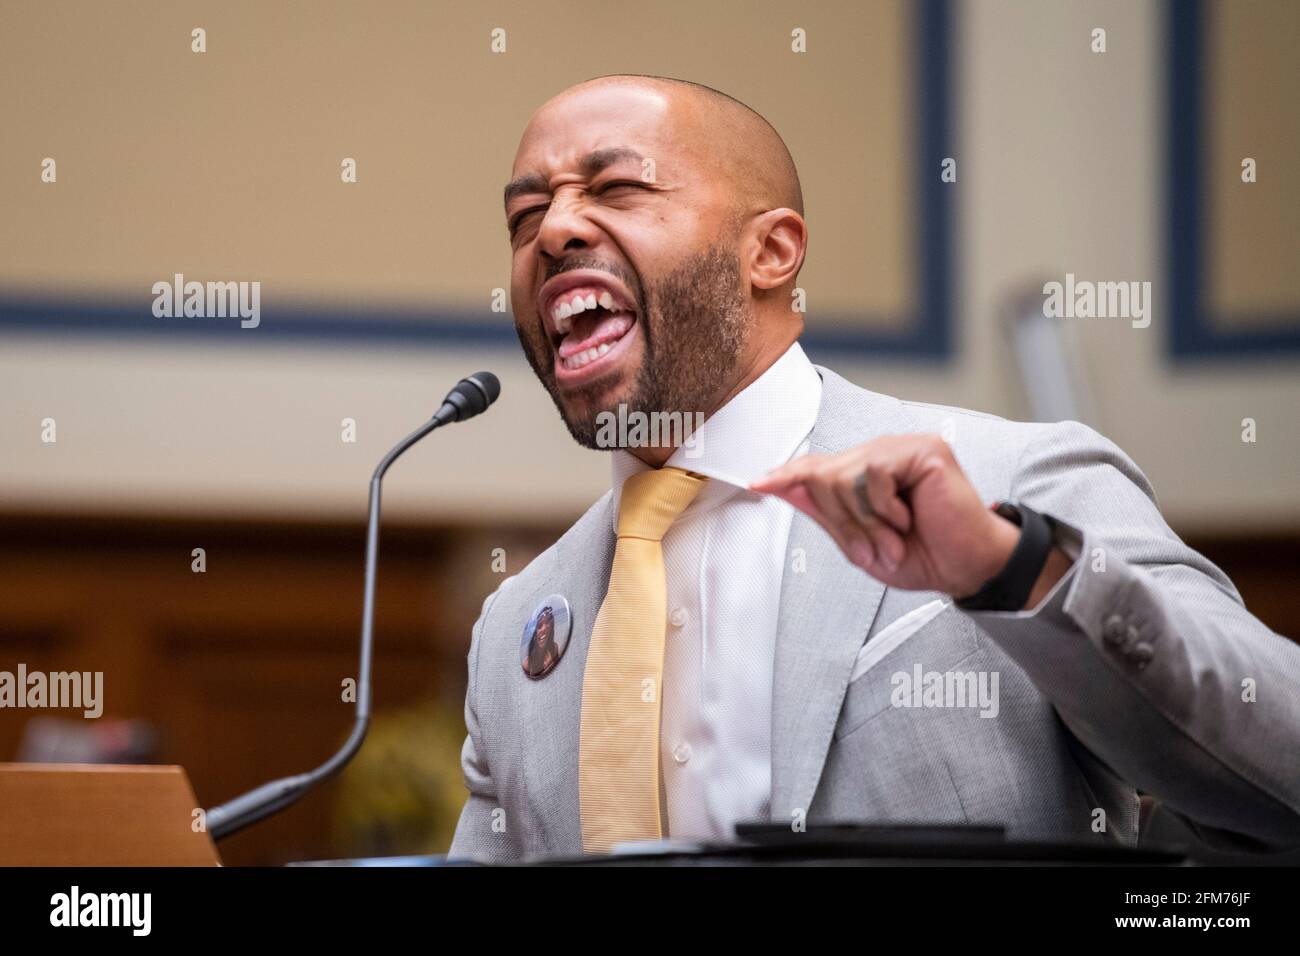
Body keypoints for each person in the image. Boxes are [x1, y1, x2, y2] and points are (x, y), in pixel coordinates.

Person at [449, 74, 1300, 861]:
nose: (552, 231)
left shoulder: (1012, 482)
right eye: (525, 218)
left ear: (773, 252)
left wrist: (1015, 572)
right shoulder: (517, 629)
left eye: (616, 188)